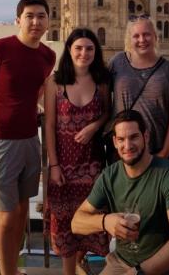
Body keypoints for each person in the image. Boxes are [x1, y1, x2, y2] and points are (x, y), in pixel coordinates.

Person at [0, 0, 56, 275]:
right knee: (5, 217)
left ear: (48, 21)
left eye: (41, 16)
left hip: (30, 140)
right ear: (18, 19)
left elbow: (36, 91)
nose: (35, 21)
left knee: (21, 212)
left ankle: (13, 269)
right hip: (0, 142)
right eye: (29, 16)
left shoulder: (48, 56)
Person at [71, 109, 169, 275]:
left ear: (145, 136)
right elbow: (76, 223)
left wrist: (139, 272)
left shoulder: (168, 174)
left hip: (161, 266)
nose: (127, 146)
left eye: (133, 137)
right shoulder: (109, 176)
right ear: (115, 142)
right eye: (121, 139)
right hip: (121, 262)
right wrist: (105, 222)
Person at [44, 28, 110, 275]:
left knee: (91, 220)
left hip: (92, 165)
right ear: (69, 50)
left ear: (96, 51)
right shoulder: (55, 82)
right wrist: (54, 166)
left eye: (89, 48)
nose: (84, 53)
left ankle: (82, 264)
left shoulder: (101, 81)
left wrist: (94, 126)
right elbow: (49, 125)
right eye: (78, 48)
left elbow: (107, 112)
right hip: (63, 167)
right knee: (65, 229)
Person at [109, 15, 169, 163]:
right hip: (123, 151)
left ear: (155, 36)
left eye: (147, 34)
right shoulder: (117, 62)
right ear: (129, 39)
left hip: (158, 150)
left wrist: (165, 152)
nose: (142, 40)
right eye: (136, 36)